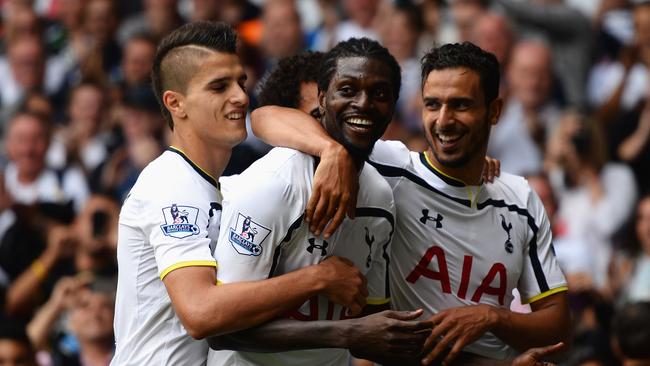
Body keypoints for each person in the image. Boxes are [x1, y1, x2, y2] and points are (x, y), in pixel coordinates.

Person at [251, 42, 570, 364]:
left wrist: (492, 317)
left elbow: (556, 323)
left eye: (460, 105)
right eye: (433, 104)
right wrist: (330, 150)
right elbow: (265, 116)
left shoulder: (521, 198)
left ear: (494, 111)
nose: (444, 120)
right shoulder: (386, 167)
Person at [111, 21, 367, 366]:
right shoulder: (170, 184)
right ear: (176, 103)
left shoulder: (224, 187)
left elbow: (266, 117)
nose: (241, 97)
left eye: (241, 82)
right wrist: (318, 278)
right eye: (219, 87)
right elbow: (200, 313)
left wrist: (331, 151)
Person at [208, 39, 430, 366]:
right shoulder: (274, 183)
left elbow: (375, 327)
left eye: (379, 94)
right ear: (323, 99)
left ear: (394, 104)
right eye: (348, 90)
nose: (364, 103)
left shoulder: (381, 194)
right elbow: (221, 329)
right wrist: (345, 331)